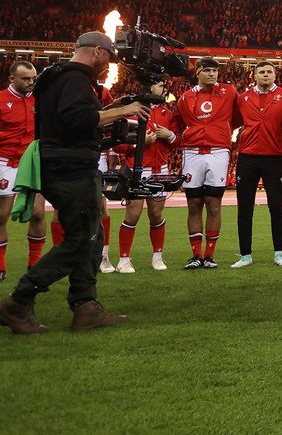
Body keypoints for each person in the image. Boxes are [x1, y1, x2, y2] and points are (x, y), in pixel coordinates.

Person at [0, 32, 148, 334]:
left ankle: (85, 306)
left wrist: (111, 108)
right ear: (96, 51)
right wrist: (124, 111)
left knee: (91, 236)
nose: (108, 64)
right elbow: (78, 120)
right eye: (108, 56)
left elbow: (68, 120)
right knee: (81, 239)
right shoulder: (76, 79)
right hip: (72, 169)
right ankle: (19, 299)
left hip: (59, 163)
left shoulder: (54, 76)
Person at [171, 57, 239, 269]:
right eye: (207, 70)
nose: (212, 74)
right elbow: (179, 122)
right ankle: (195, 255)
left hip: (218, 151)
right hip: (192, 152)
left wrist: (222, 131)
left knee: (214, 204)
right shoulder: (185, 98)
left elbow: (238, 117)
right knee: (193, 204)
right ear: (197, 72)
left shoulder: (229, 92)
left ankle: (209, 255)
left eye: (215, 71)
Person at [232, 61, 282, 268]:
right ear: (254, 76)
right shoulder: (243, 99)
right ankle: (245, 255)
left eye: (269, 71)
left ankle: (279, 253)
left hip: (274, 157)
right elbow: (231, 122)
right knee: (244, 208)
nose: (266, 75)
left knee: (276, 207)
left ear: (275, 75)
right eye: (262, 72)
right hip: (247, 157)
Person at [115, 80, 176, 273]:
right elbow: (118, 145)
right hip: (138, 170)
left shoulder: (168, 114)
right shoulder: (132, 112)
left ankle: (157, 257)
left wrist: (170, 135)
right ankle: (123, 259)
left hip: (160, 171)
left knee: (156, 215)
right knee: (132, 215)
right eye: (156, 84)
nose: (159, 87)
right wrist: (141, 142)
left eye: (161, 84)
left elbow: (179, 142)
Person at [0, 61, 41, 281]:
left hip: (30, 163)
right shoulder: (0, 100)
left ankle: (34, 267)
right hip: (3, 162)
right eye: (25, 79)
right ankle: (0, 265)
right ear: (12, 79)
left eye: (33, 78)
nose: (30, 83)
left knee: (37, 214)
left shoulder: (38, 100)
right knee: (1, 216)